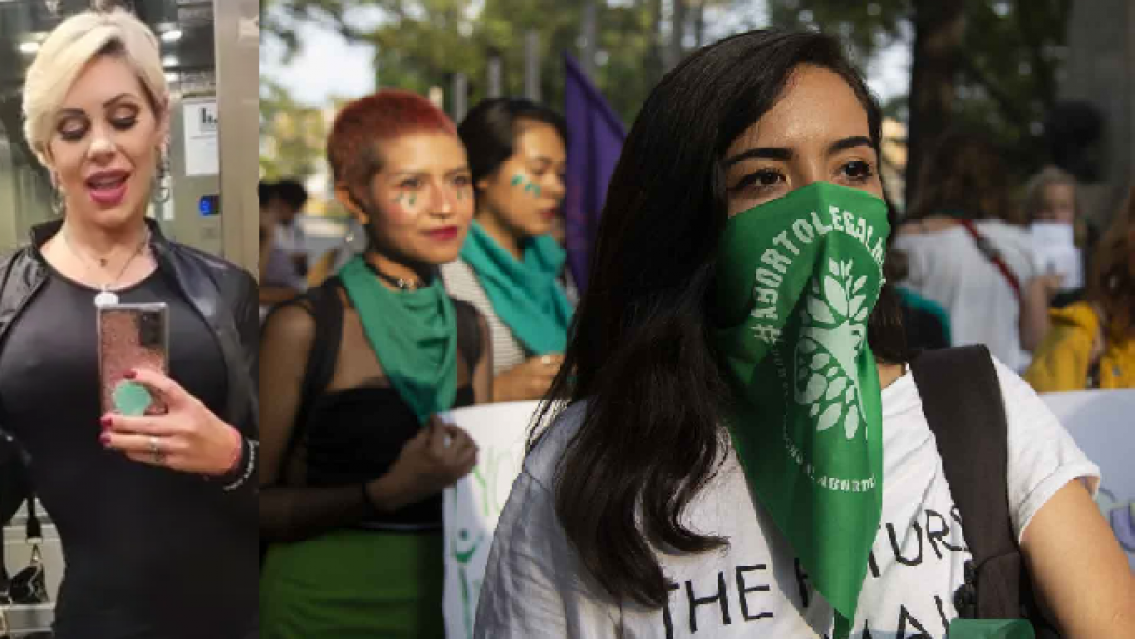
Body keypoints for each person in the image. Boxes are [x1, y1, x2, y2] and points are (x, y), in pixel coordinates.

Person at [474, 29, 1133, 638]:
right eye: (764, 177)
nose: (823, 211)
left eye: (852, 169)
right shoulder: (587, 468)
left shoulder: (979, 409)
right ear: (688, 220)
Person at [0, 6, 258, 638]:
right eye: (71, 128)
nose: (102, 148)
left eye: (123, 118)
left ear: (159, 123)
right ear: (44, 150)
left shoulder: (225, 292)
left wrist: (230, 456)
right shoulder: (8, 301)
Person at [259, 89, 491, 639]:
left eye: (458, 181)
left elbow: (479, 492)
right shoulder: (305, 327)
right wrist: (383, 493)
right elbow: (246, 506)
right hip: (318, 611)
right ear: (355, 198)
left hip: (446, 608)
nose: (445, 204)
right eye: (411, 185)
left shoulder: (467, 327)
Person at [441, 97, 573, 402]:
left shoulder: (551, 267)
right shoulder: (445, 272)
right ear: (484, 173)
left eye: (561, 174)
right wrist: (497, 391)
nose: (556, 188)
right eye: (539, 171)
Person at [895, 131, 1060, 370]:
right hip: (1000, 393)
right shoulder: (1021, 244)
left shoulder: (913, 242)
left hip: (932, 392)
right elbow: (1036, 339)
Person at [1026, 186, 1134, 390]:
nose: (1056, 215)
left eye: (1064, 207)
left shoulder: (1086, 252)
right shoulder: (1078, 337)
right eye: (1046, 208)